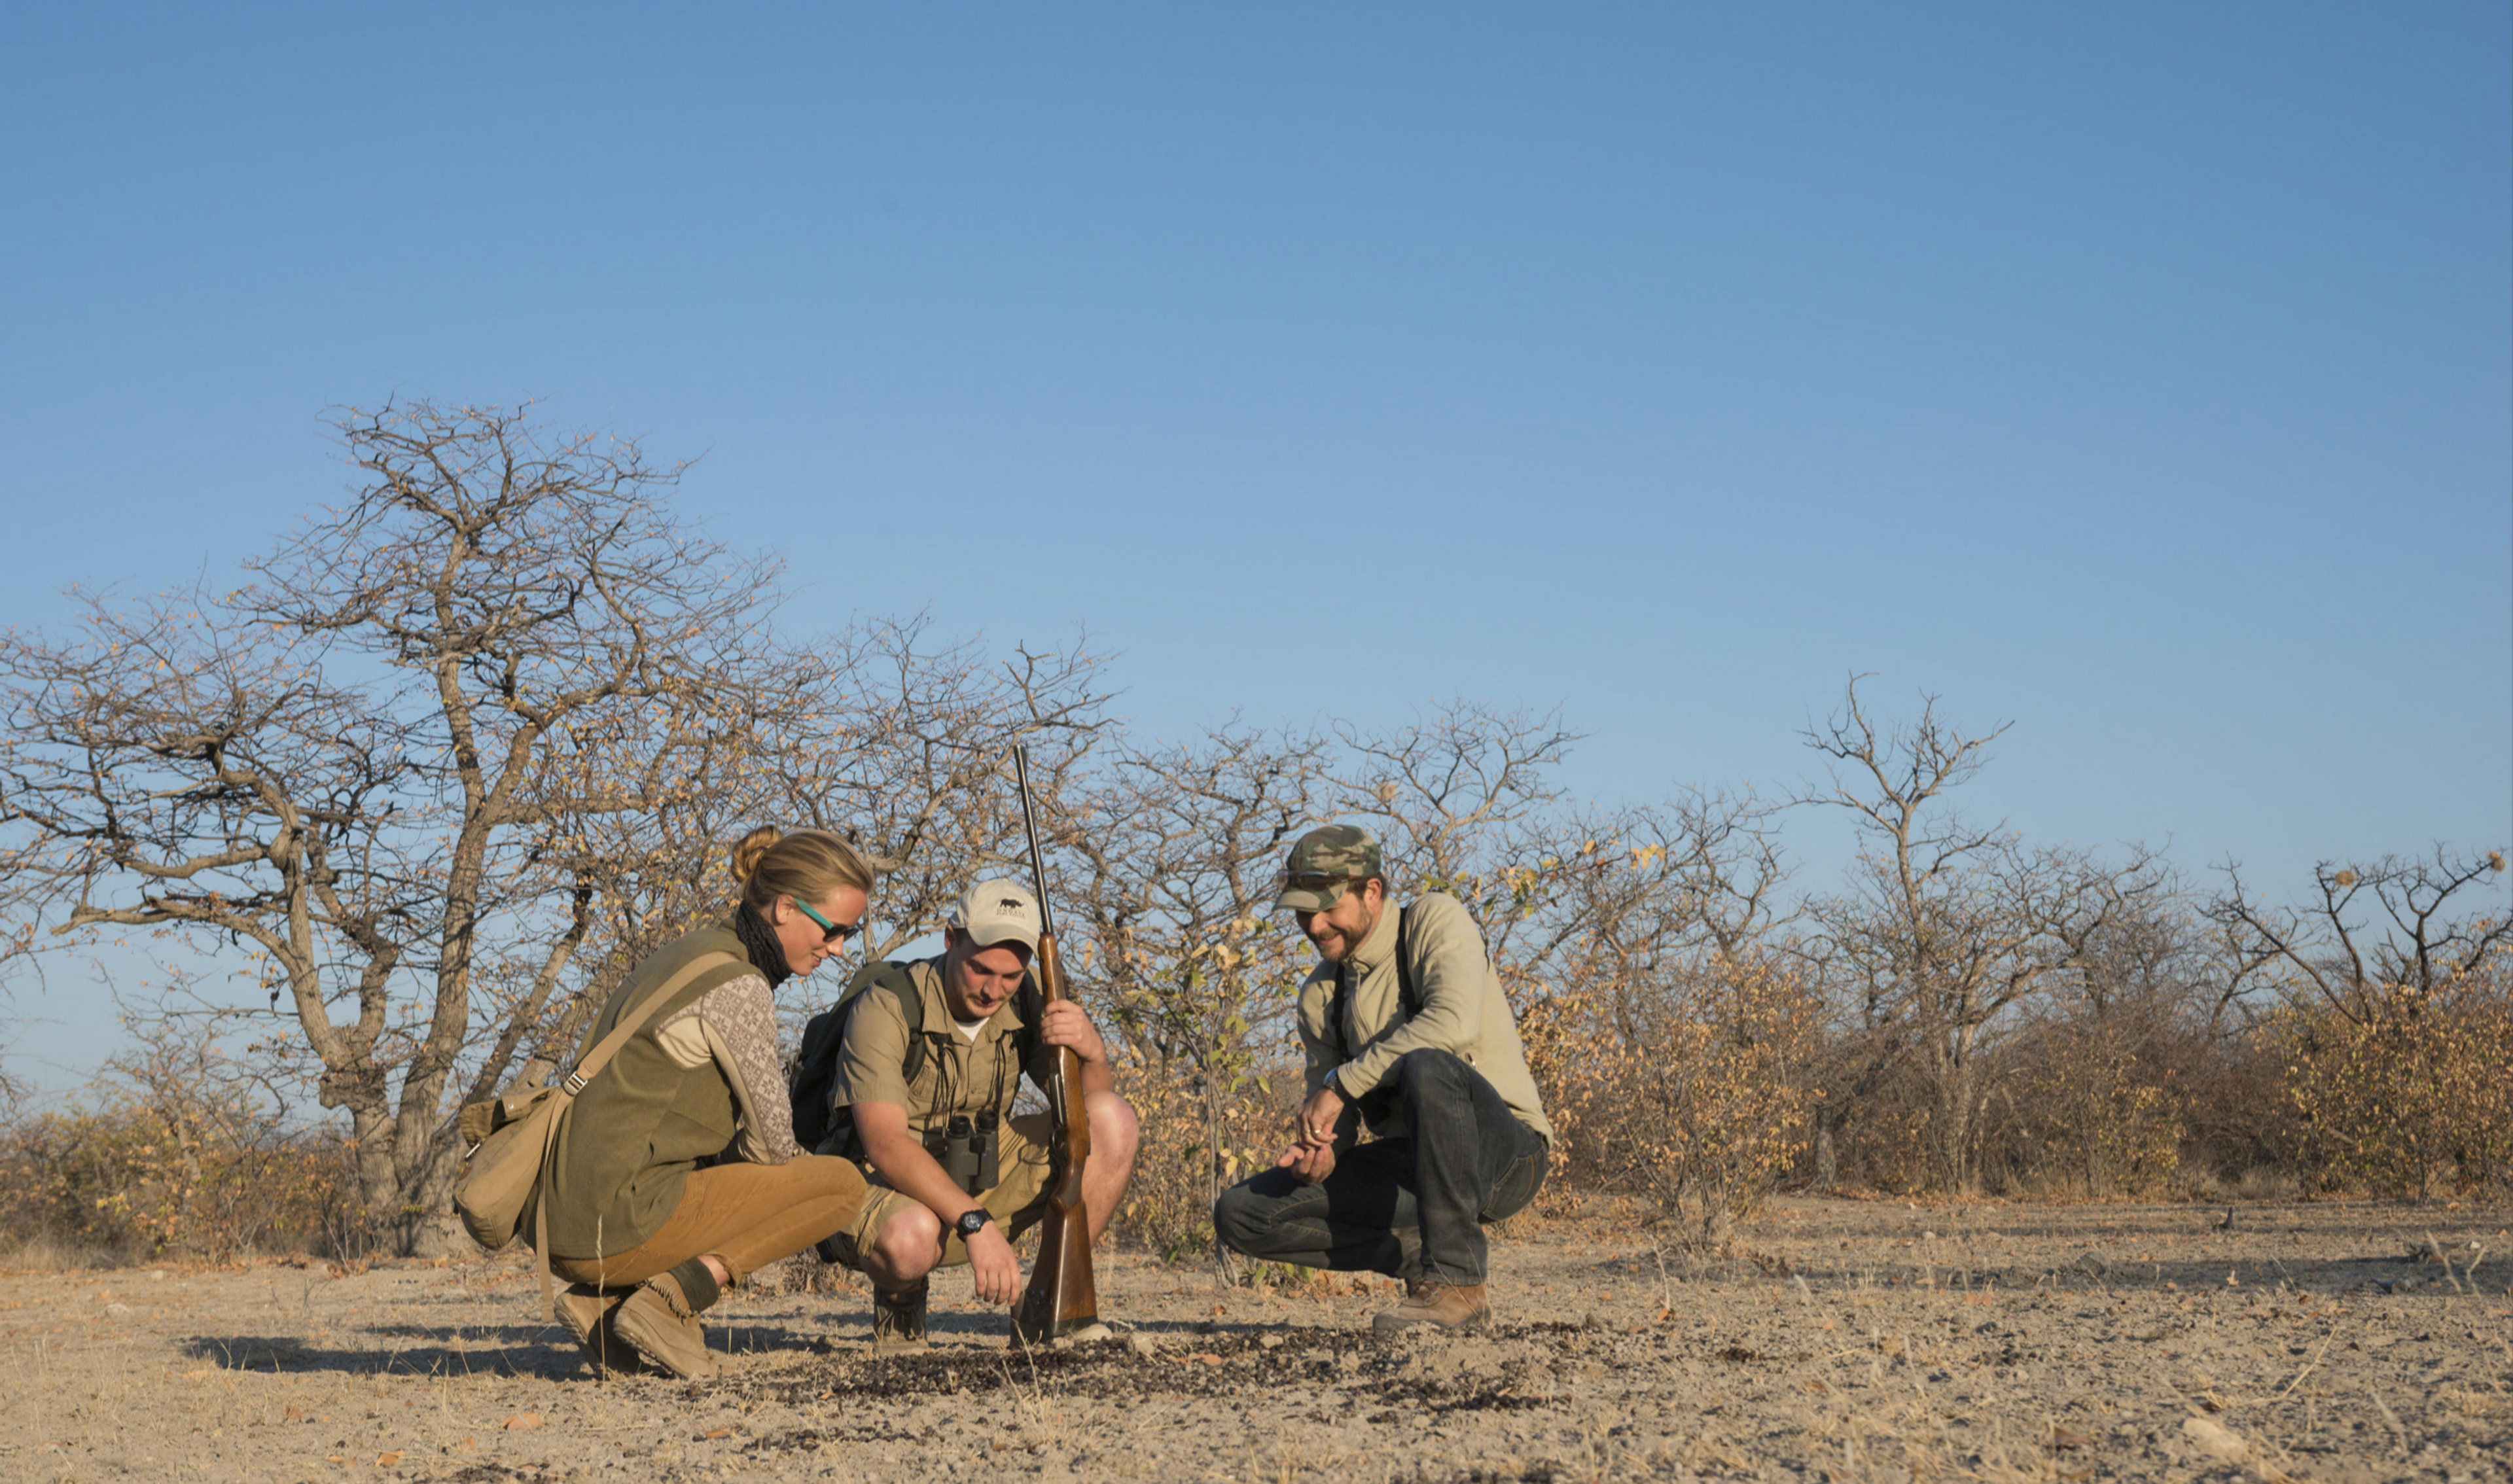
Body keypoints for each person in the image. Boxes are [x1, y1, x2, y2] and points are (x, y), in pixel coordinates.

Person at [539, 826, 878, 1379]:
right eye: (834, 930)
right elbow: (774, 1147)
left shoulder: (693, 953)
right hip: (617, 1221)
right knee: (839, 1186)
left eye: (849, 932)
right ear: (786, 908)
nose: (839, 948)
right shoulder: (740, 986)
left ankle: (603, 1305)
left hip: (568, 1221)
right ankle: (666, 1302)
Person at [1212, 824, 1552, 1330]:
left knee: (1429, 1064)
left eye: (1328, 907)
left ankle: (1459, 1282)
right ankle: (1418, 1257)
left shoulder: (1434, 919)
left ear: (1372, 890)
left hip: (1504, 1157)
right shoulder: (1319, 996)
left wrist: (1341, 1085)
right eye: (1304, 910)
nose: (1315, 924)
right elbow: (1336, 1116)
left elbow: (1451, 1026)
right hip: (1413, 1163)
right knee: (1242, 1212)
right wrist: (1325, 1149)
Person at [814, 879, 1139, 1349]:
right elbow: (885, 1144)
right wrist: (974, 1222)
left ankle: (1049, 1302)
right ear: (950, 939)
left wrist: (1093, 1056)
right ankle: (901, 1297)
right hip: (883, 1182)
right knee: (911, 1240)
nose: (994, 991)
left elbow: (1085, 1125)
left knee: (1115, 1119)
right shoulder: (886, 1004)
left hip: (979, 1166)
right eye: (980, 969)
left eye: (1011, 975)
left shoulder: (1028, 998)